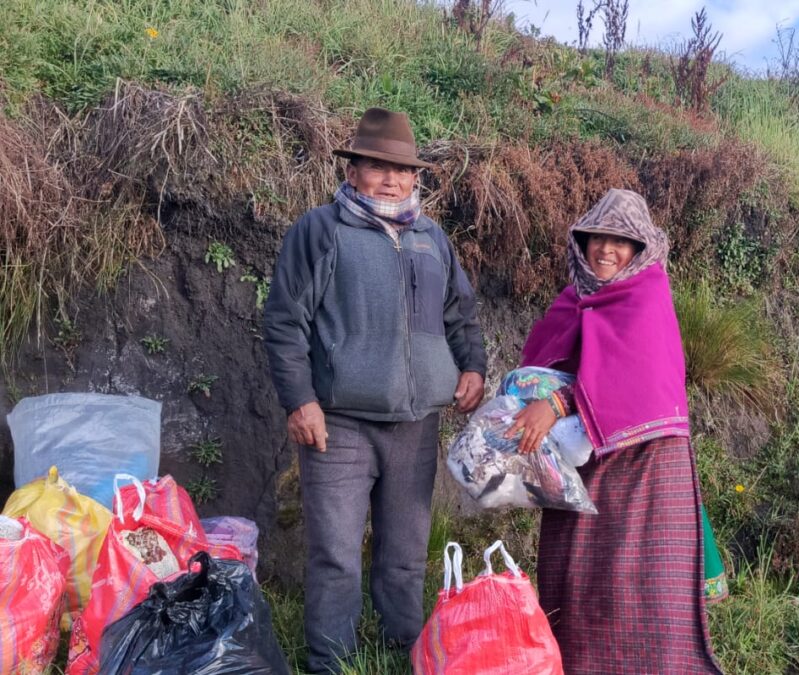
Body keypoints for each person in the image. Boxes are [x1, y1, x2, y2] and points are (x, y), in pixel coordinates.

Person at [262, 107, 486, 674]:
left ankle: (402, 651)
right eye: (377, 166)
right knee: (336, 554)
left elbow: (461, 316)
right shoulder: (321, 229)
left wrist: (473, 368)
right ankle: (329, 661)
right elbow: (286, 323)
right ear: (354, 169)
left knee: (406, 554)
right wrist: (300, 399)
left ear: (416, 178)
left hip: (416, 423)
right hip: (337, 423)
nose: (391, 178)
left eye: (402, 169)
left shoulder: (433, 238)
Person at [508, 188, 723, 673]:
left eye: (619, 241)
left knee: (641, 578)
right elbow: (549, 363)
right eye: (596, 239)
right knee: (578, 574)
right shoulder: (574, 299)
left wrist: (557, 403)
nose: (605, 250)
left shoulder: (647, 295)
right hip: (582, 460)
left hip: (644, 463)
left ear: (639, 250)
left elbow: (637, 377)